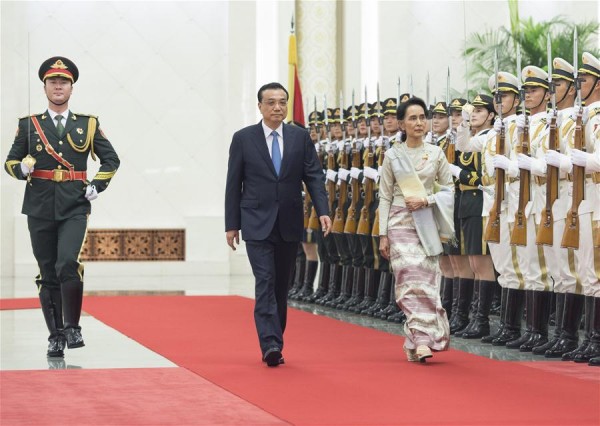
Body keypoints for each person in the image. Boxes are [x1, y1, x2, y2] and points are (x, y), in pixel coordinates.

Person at [4, 56, 120, 357]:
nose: (58, 86)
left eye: (64, 82)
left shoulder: (88, 124)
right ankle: (54, 335)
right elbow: (9, 162)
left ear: (71, 87)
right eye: (53, 81)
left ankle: (72, 326)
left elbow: (111, 160)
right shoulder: (29, 126)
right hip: (39, 205)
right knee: (47, 270)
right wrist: (22, 170)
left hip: (74, 205)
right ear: (44, 87)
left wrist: (97, 184)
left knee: (66, 262)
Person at [224, 82, 331, 367]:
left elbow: (314, 177)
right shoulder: (243, 138)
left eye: (282, 102)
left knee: (281, 286)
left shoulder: (300, 137)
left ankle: (275, 336)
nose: (277, 107)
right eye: (270, 102)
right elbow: (234, 183)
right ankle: (270, 344)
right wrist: (231, 224)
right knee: (265, 281)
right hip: (256, 222)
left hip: (288, 222)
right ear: (259, 106)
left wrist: (323, 210)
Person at [378, 97, 453, 362]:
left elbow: (449, 190)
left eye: (423, 117)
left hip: (426, 221)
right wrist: (382, 234)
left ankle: (415, 337)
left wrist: (427, 200)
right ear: (401, 124)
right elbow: (385, 196)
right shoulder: (392, 155)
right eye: (413, 118)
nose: (419, 123)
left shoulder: (436, 153)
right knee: (408, 280)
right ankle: (422, 339)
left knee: (427, 281)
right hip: (399, 222)